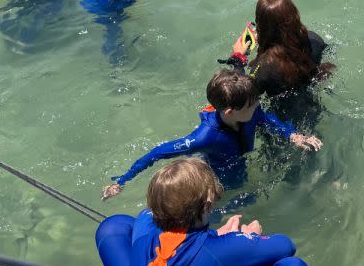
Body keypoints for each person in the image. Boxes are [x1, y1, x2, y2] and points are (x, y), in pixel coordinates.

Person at [101, 69, 322, 201]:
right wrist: (121, 181)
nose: (258, 108)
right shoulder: (204, 137)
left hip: (239, 158)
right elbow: (158, 152)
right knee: (245, 198)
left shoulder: (249, 110)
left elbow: (266, 118)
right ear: (230, 112)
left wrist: (293, 135)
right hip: (221, 172)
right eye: (252, 105)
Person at [95, 158, 311, 266]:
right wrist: (249, 237)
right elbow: (286, 246)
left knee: (112, 226)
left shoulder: (145, 224)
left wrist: (217, 236)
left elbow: (171, 238)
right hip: (220, 254)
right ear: (207, 206)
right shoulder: (228, 249)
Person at [224, 0, 333, 127]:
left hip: (284, 123)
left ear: (260, 25)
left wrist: (238, 59)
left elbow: (241, 98)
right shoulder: (314, 39)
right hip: (314, 108)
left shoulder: (263, 67)